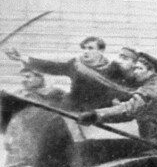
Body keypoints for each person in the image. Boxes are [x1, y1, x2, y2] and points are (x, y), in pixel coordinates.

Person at [81, 52, 157, 159]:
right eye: (135, 68)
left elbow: (129, 108)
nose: (136, 72)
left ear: (151, 71)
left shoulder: (152, 88)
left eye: (140, 69)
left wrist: (95, 114)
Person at [6, 35, 135, 111]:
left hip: (97, 112)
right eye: (84, 48)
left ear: (101, 51)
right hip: (72, 108)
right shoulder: (76, 64)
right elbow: (53, 67)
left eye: (90, 48)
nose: (85, 51)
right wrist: (22, 58)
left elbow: (125, 88)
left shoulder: (113, 69)